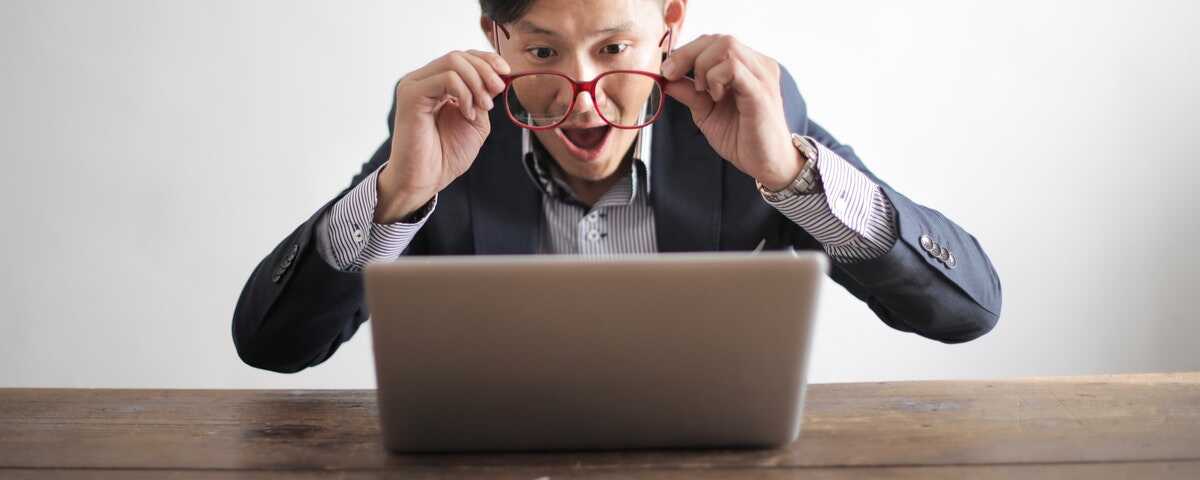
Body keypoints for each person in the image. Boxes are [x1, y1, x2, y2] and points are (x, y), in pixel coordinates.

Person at [232, 0, 1003, 373]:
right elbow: (272, 346)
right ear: (494, 39)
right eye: (542, 49)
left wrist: (789, 174)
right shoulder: (450, 131)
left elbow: (966, 310)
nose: (582, 87)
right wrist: (397, 198)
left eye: (613, 46)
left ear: (669, 26)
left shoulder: (748, 114)